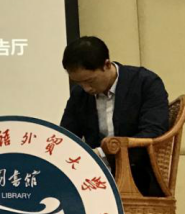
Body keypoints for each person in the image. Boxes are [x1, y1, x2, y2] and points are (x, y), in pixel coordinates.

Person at [60, 35, 169, 196]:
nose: (86, 89)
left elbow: (153, 132)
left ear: (106, 64)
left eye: (90, 81)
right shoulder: (80, 94)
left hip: (139, 175)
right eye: (79, 83)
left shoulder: (145, 83)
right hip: (94, 178)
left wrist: (103, 153)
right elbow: (67, 136)